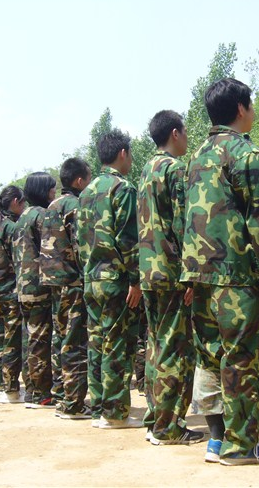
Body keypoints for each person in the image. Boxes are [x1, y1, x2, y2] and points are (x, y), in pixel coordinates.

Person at [181, 78, 259, 465]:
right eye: (252, 105)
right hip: (237, 278)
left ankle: (216, 439)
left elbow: (187, 218)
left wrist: (188, 275)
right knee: (244, 359)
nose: (253, 111)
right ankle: (241, 446)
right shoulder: (247, 154)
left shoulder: (196, 157)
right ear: (241, 109)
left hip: (201, 276)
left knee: (211, 357)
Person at [138, 110, 202, 445]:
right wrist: (190, 275)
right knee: (176, 349)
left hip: (149, 269)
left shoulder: (147, 169)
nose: (187, 138)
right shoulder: (175, 169)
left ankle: (156, 418)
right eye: (185, 132)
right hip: (172, 270)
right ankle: (168, 426)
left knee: (157, 344)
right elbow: (183, 224)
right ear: (175, 133)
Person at [77, 129, 143, 429]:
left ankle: (99, 408)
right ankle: (115, 413)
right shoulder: (123, 188)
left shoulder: (87, 192)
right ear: (123, 154)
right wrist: (135, 280)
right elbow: (128, 239)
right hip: (116, 279)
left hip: (91, 278)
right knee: (117, 344)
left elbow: (81, 240)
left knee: (96, 344)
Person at [40, 157, 93, 419]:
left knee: (60, 338)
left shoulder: (52, 205)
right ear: (79, 181)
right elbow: (81, 245)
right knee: (74, 341)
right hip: (72, 282)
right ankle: (74, 403)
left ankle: (61, 394)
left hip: (54, 282)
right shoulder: (74, 205)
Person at [15, 172, 57, 409]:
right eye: (51, 188)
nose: (54, 193)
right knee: (41, 340)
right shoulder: (42, 215)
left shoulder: (22, 217)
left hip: (23, 285)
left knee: (29, 338)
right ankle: (42, 392)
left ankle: (31, 389)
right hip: (39, 286)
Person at [0, 185, 26, 404]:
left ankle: (0, 386)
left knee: (0, 339)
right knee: (12, 341)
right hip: (9, 291)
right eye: (23, 202)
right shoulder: (11, 227)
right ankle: (11, 390)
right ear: (15, 202)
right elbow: (19, 259)